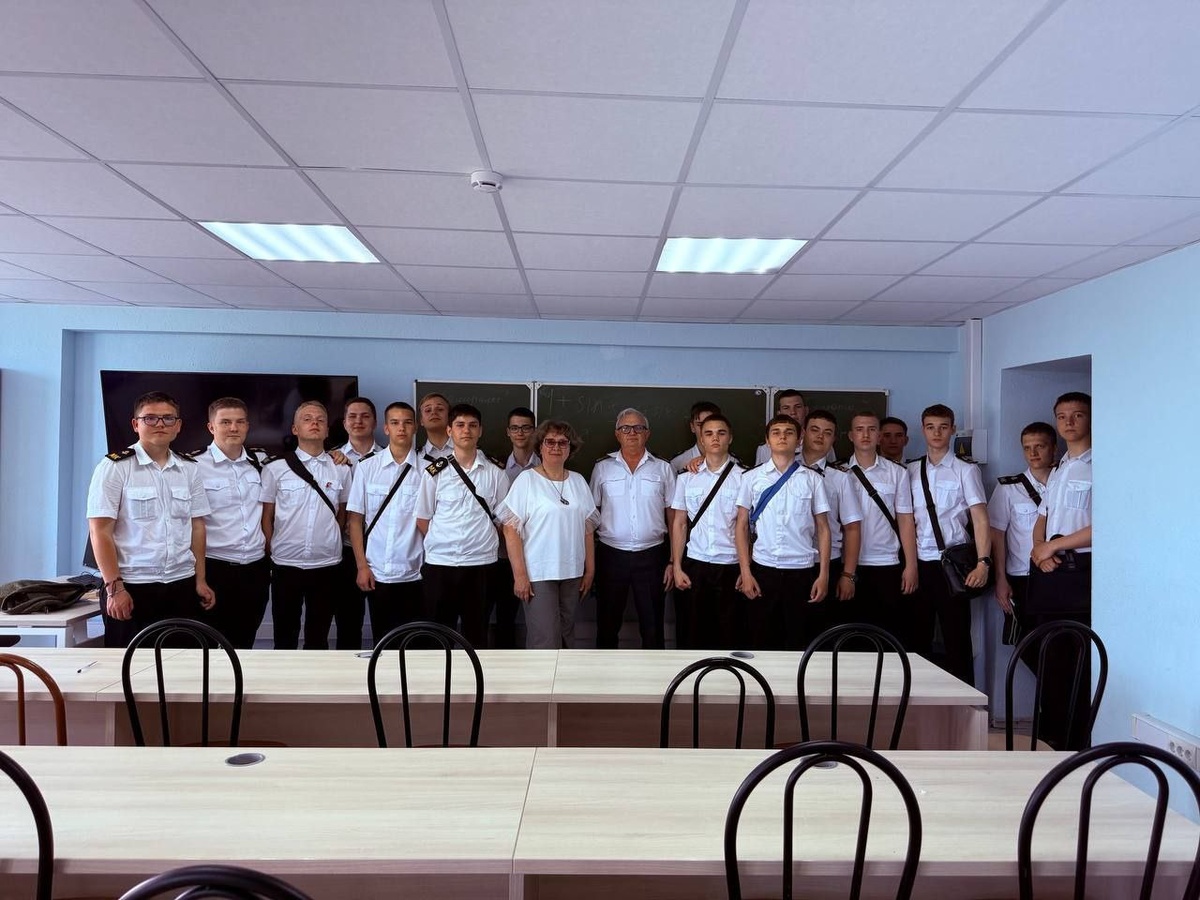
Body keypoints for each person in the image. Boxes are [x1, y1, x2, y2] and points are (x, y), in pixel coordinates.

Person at [86, 391, 214, 647]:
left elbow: (197, 527)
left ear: (178, 425)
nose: (160, 424)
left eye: (168, 418)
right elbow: (99, 531)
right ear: (136, 424)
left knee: (182, 662)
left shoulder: (189, 469)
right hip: (132, 586)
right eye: (150, 418)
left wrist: (200, 580)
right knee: (130, 665)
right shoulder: (115, 467)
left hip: (181, 584)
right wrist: (115, 589)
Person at [908, 403, 991, 685]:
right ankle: (917, 697)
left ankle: (965, 702)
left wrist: (983, 562)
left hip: (952, 565)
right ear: (923, 430)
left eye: (943, 427)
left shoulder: (965, 470)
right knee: (917, 637)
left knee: (956, 637)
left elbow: (980, 518)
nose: (937, 433)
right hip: (919, 563)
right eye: (931, 427)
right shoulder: (911, 470)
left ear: (953, 430)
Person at [1028, 392, 1093, 750]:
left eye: (1077, 415)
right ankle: (1049, 738)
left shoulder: (1102, 464)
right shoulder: (1060, 467)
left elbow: (1107, 524)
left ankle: (1074, 742)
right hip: (1050, 570)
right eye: (1062, 416)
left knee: (1076, 662)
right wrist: (1040, 550)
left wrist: (1053, 547)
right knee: (1048, 658)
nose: (1069, 422)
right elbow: (1043, 517)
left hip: (1080, 571)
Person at [415, 403, 509, 648]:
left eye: (472, 425)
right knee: (437, 635)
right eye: (460, 425)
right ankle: (440, 674)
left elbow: (503, 520)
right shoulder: (434, 472)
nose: (466, 430)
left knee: (476, 634)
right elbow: (423, 518)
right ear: (449, 431)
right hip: (440, 564)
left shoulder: (496, 472)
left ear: (480, 431)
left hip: (481, 565)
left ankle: (473, 675)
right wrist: (446, 542)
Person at [498, 420, 597, 649]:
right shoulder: (527, 480)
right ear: (539, 447)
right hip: (538, 573)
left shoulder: (578, 481)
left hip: (572, 571)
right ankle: (540, 675)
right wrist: (520, 575)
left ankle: (565, 674)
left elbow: (587, 529)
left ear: (570, 448)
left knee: (566, 635)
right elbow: (510, 529)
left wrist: (590, 570)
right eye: (550, 442)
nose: (556, 447)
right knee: (545, 638)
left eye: (563, 442)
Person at [260, 401, 351, 650]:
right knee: (284, 635)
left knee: (318, 637)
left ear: (327, 430)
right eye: (307, 419)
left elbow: (343, 514)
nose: (314, 423)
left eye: (320, 420)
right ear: (295, 428)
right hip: (285, 562)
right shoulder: (275, 468)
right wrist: (271, 549)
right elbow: (267, 516)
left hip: (327, 563)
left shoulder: (341, 469)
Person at [736, 414, 831, 650]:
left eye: (789, 433)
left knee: (798, 640)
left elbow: (823, 529)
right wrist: (745, 572)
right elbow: (741, 526)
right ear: (767, 440)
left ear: (799, 440)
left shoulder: (812, 479)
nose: (782, 437)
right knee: (761, 639)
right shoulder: (751, 478)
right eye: (776, 432)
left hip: (801, 571)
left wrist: (824, 575)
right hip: (763, 568)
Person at [590, 408, 676, 649]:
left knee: (653, 626)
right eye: (625, 428)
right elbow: (591, 514)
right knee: (607, 624)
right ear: (617, 434)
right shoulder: (602, 468)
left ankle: (655, 672)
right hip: (610, 555)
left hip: (652, 555)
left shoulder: (663, 468)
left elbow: (673, 517)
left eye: (638, 428)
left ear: (647, 433)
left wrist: (672, 560)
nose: (632, 433)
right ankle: (605, 670)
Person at [189, 397, 270, 649]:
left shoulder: (262, 462)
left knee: (244, 643)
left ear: (247, 426)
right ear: (211, 427)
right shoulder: (193, 466)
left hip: (254, 569)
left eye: (239, 422)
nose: (233, 428)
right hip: (215, 568)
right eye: (225, 422)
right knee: (206, 644)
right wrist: (200, 577)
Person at [347, 401, 426, 644]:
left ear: (415, 427)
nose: (401, 428)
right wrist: (362, 566)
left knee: (415, 643)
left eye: (407, 422)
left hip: (416, 573)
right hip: (377, 571)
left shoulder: (428, 470)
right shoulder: (367, 467)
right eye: (395, 422)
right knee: (383, 642)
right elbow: (355, 521)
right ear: (386, 428)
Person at [669, 414, 745, 649]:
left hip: (731, 564)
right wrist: (677, 567)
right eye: (709, 433)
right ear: (701, 440)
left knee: (729, 633)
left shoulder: (745, 477)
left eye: (721, 433)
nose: (715, 438)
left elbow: (748, 527)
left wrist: (746, 569)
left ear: (730, 438)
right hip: (696, 563)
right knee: (692, 632)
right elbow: (679, 523)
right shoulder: (686, 478)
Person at [844, 411, 918, 639]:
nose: (865, 435)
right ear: (851, 436)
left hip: (887, 563)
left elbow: (905, 520)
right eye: (859, 429)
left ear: (879, 436)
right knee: (850, 634)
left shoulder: (897, 473)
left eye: (872, 429)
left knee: (888, 633)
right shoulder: (838, 473)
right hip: (847, 566)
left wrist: (911, 566)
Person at [987, 421, 1056, 644]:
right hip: (1023, 574)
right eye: (1027, 448)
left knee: (1061, 638)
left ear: (1054, 448)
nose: (1033, 453)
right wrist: (1000, 579)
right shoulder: (1009, 488)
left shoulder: (1064, 484)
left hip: (1061, 573)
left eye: (1040, 446)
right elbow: (997, 535)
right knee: (1026, 641)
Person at [800, 410, 864, 632]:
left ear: (834, 439)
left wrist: (848, 575)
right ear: (803, 433)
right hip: (791, 562)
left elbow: (852, 528)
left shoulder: (841, 478)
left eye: (827, 433)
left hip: (827, 563)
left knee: (823, 631)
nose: (820, 436)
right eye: (815, 430)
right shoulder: (784, 471)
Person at [489, 406, 540, 648]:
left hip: (537, 554)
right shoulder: (495, 467)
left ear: (535, 431)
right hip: (502, 555)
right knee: (504, 616)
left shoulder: (548, 465)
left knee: (540, 618)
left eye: (526, 427)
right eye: (515, 428)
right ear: (508, 432)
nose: (520, 433)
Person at [333, 396, 381, 650]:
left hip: (381, 550)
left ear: (375, 422)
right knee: (348, 622)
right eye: (352, 416)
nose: (358, 421)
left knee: (385, 622)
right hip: (346, 551)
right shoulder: (330, 459)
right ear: (344, 423)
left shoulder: (390, 458)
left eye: (365, 416)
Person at [753, 390, 807, 465]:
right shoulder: (765, 449)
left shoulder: (817, 444)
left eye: (798, 407)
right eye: (786, 408)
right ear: (779, 413)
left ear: (806, 410)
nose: (793, 412)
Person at [668, 401, 722, 474]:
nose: (705, 429)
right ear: (692, 427)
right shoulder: (677, 463)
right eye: (699, 424)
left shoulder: (733, 461)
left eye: (710, 424)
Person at [417, 392, 454, 460]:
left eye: (440, 409)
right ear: (421, 420)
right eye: (428, 410)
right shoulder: (415, 458)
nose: (433, 412)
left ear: (449, 416)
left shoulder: (469, 451)